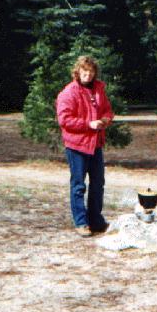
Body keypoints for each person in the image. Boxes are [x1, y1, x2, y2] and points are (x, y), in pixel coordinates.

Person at [56, 56, 114, 237]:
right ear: (78, 72)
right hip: (77, 146)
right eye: (84, 72)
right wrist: (89, 124)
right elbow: (64, 120)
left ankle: (96, 221)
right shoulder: (68, 92)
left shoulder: (99, 89)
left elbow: (107, 110)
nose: (87, 75)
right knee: (79, 185)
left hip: (95, 144)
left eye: (90, 72)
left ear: (94, 73)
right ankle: (81, 222)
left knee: (98, 183)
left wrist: (105, 120)